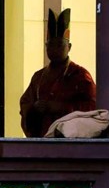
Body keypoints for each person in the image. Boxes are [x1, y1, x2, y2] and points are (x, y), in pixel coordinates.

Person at [19, 8, 97, 137]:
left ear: (69, 47)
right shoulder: (38, 77)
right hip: (43, 138)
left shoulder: (80, 75)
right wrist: (35, 108)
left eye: (59, 45)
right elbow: (25, 104)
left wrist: (60, 107)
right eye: (50, 45)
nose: (54, 49)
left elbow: (93, 107)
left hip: (70, 141)